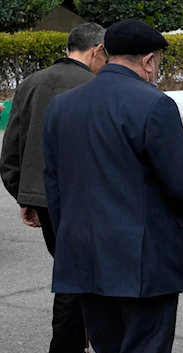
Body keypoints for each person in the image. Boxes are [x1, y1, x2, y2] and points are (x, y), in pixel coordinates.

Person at [42, 19, 183, 353]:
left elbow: (55, 186)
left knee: (108, 347)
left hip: (84, 259)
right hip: (144, 265)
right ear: (149, 60)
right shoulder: (153, 103)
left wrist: (71, 245)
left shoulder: (61, 106)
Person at [0, 22, 108, 353]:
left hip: (43, 198)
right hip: (82, 201)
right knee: (77, 278)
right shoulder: (95, 86)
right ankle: (68, 345)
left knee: (70, 270)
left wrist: (26, 195)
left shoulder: (31, 82)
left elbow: (12, 149)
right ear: (97, 51)